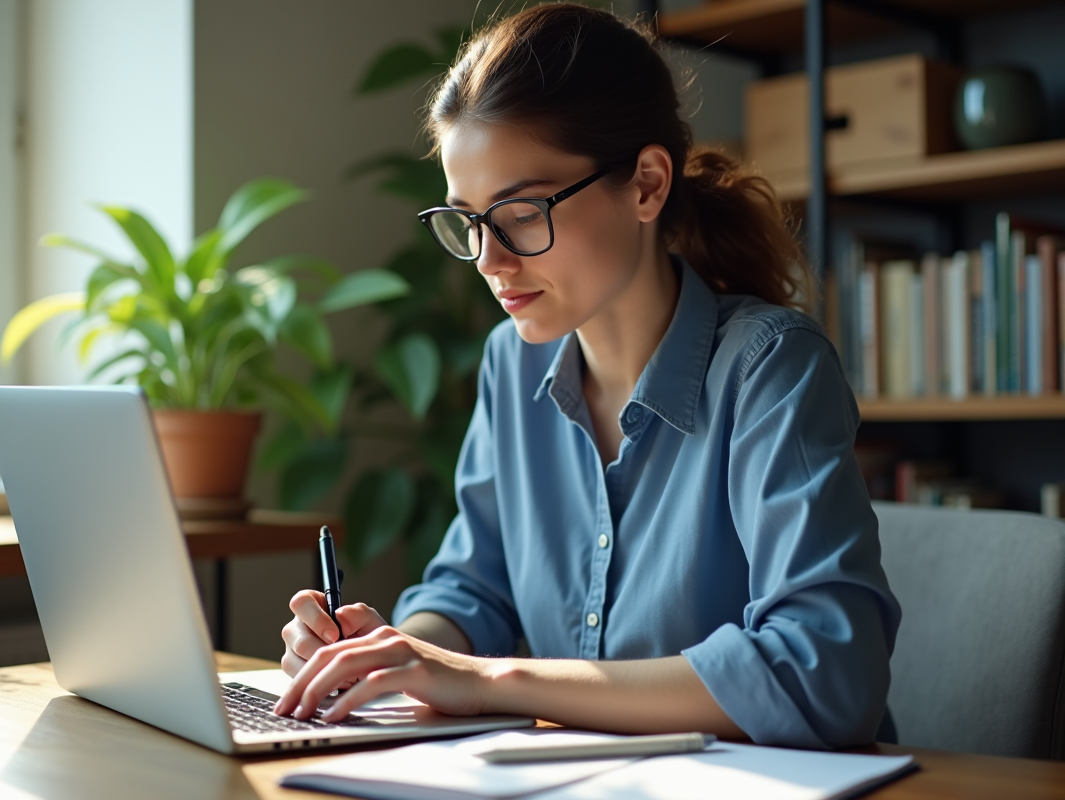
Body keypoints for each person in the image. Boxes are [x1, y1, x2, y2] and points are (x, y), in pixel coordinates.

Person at [274, 4, 900, 749]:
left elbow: (826, 671)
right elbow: (472, 590)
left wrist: (488, 680)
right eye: (469, 221)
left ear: (645, 184)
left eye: (521, 212)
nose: (490, 261)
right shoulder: (512, 364)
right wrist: (395, 653)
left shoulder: (770, 368)